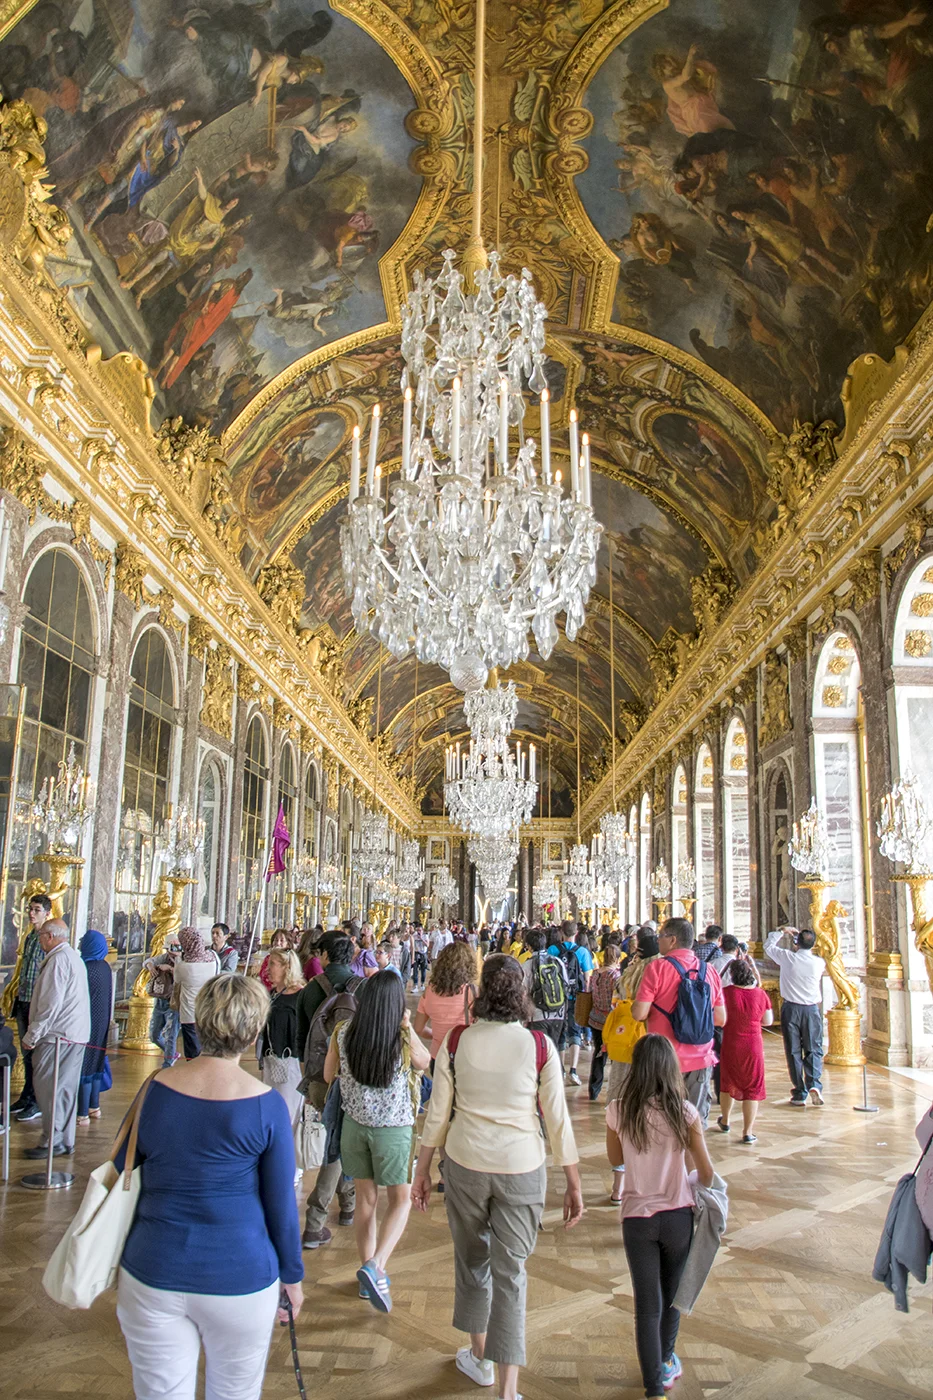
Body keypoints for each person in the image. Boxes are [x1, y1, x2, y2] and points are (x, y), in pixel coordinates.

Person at [115, 974, 303, 1400]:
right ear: (255, 1032)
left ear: (198, 1023)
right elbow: (281, 1205)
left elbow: (119, 1166)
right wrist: (292, 1274)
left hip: (153, 1266)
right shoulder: (267, 1105)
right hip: (240, 1273)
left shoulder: (153, 1088)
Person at [412, 955, 584, 1400]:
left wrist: (422, 1169)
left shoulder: (456, 1041)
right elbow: (558, 1117)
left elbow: (437, 1115)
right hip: (522, 1166)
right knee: (512, 1274)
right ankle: (508, 1390)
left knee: (472, 1262)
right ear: (523, 992)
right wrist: (573, 1179)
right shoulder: (539, 1046)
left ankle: (481, 1359)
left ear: (481, 989)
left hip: (465, 1163)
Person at [606, 1034, 715, 1400]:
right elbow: (708, 1172)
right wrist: (688, 1180)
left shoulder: (619, 1110)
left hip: (636, 1218)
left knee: (646, 1306)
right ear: (671, 1069)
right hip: (677, 1216)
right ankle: (667, 1359)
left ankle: (654, 1388)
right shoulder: (685, 1113)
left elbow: (615, 1159)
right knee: (673, 1298)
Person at [324, 970, 430, 1311]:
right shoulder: (400, 1038)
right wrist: (408, 1025)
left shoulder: (343, 1032)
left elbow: (329, 1076)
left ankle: (367, 1282)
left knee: (365, 1202)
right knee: (400, 1201)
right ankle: (376, 1265)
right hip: (394, 1132)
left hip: (355, 1128)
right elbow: (424, 1062)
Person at [296, 931, 360, 1247]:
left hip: (321, 1079)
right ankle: (318, 1218)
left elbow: (299, 1041)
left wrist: (308, 1080)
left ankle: (346, 1203)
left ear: (323, 956)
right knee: (338, 1142)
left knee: (338, 1138)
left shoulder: (309, 990)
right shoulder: (363, 987)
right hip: (354, 1078)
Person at [631, 918, 726, 1126]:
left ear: (672, 940)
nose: (658, 941)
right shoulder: (709, 971)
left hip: (664, 1057)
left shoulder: (657, 968)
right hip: (701, 1056)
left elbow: (639, 1013)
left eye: (661, 936)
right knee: (694, 1125)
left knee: (662, 1122)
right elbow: (721, 1018)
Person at [21, 918, 90, 1159]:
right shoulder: (71, 956)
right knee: (63, 1090)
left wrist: (33, 1034)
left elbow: (49, 1005)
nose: (39, 940)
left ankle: (53, 1141)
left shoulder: (58, 960)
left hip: (58, 1037)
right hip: (72, 1035)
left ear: (50, 936)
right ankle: (63, 1140)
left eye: (41, 936)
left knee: (49, 1089)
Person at [764, 925, 825, 1106]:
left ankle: (799, 1091)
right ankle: (814, 1083)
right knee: (813, 1048)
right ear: (813, 945)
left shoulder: (788, 958)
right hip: (811, 1010)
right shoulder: (819, 963)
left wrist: (782, 930)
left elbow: (768, 947)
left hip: (791, 1009)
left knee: (793, 1051)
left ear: (796, 943)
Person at [717, 959, 774, 1142]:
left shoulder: (726, 993)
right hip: (753, 1044)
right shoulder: (760, 994)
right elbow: (768, 1021)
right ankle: (747, 1132)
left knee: (728, 1081)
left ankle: (725, 1120)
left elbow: (720, 1019)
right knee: (752, 1087)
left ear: (732, 975)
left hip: (731, 1042)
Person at [8, 891, 52, 1122]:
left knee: (36, 1054)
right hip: (23, 998)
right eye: (30, 909)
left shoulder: (49, 937)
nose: (32, 914)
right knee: (26, 1053)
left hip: (37, 1002)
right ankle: (27, 1095)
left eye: (36, 910)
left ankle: (36, 1100)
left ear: (47, 913)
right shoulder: (29, 937)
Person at [257, 948, 306, 1137]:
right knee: (271, 1110)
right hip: (270, 1060)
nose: (268, 969)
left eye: (273, 964)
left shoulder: (300, 995)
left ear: (287, 967)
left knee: (288, 1112)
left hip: (291, 1062)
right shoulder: (272, 994)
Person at [414, 939, 477, 1068]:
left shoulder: (429, 992)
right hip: (465, 1057)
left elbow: (418, 1028)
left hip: (438, 1057)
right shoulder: (472, 992)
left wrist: (438, 1036)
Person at [548, 919, 593, 1085]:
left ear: (561, 932)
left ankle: (560, 1069)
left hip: (556, 997)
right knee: (575, 1031)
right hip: (576, 996)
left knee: (560, 1031)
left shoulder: (553, 950)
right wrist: (585, 997)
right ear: (576, 933)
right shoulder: (582, 952)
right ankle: (573, 1070)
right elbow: (588, 978)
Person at [76, 930, 113, 1126]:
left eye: (83, 940)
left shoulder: (85, 968)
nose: (81, 943)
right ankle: (94, 1106)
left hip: (86, 1021)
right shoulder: (105, 966)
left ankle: (82, 1112)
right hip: (102, 1021)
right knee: (97, 1061)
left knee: (84, 1064)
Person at [174, 927, 219, 1060]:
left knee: (193, 1052)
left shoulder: (185, 965)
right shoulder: (213, 957)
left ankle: (194, 1075)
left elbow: (176, 979)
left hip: (190, 1013)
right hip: (209, 1010)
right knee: (207, 1049)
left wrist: (177, 959)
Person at [587, 940, 623, 1101]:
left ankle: (594, 1089)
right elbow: (618, 999)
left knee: (599, 1054)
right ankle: (615, 1090)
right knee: (615, 1055)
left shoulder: (596, 973)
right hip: (611, 1020)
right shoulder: (615, 976)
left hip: (595, 1018)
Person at [523, 927, 569, 1048]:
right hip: (558, 1012)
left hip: (538, 1014)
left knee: (541, 1051)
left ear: (528, 946)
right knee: (553, 1050)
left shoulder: (527, 965)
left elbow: (523, 992)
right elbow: (566, 985)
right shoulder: (557, 961)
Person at [145, 932, 182, 1068]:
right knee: (154, 1035)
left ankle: (167, 1063)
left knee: (171, 1034)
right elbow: (149, 961)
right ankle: (172, 1054)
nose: (173, 953)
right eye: (170, 950)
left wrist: (171, 969)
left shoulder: (184, 959)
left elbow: (184, 975)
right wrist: (150, 965)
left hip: (175, 1001)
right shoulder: (164, 957)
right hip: (161, 1000)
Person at [411, 924, 429, 990]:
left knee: (423, 969)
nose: (419, 931)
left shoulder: (425, 936)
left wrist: (421, 938)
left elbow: (427, 945)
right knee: (415, 969)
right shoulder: (414, 936)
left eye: (420, 930)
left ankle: (422, 983)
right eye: (417, 930)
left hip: (423, 954)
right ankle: (415, 985)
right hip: (416, 953)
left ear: (422, 930)